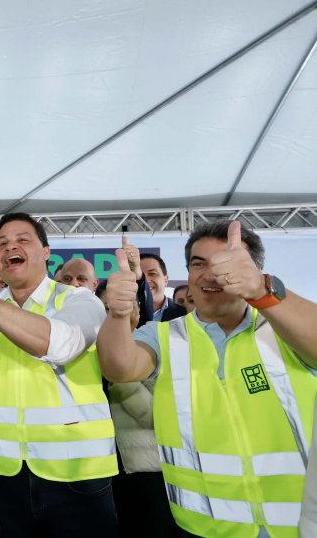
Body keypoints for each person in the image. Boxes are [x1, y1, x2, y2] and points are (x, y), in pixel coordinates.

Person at [97, 220, 317, 537]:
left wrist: (261, 290)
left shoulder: (284, 327)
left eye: (225, 262)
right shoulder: (164, 335)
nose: (209, 274)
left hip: (298, 525)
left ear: (254, 270)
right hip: (201, 526)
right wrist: (118, 314)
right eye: (198, 264)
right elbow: (119, 367)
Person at [0, 212, 119, 537]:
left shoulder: (78, 299)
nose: (9, 248)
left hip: (77, 473)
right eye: (1, 243)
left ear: (46, 252)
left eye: (22, 240)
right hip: (8, 473)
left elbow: (60, 344)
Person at [96, 280, 180, 537]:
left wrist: (119, 374)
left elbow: (154, 414)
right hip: (102, 472)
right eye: (107, 308)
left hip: (145, 471)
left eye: (123, 306)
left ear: (137, 309)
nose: (115, 314)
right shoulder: (84, 351)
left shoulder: (152, 348)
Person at [140, 253, 186, 321]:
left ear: (166, 280)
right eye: (139, 275)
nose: (146, 280)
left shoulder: (186, 315)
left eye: (152, 274)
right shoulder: (121, 315)